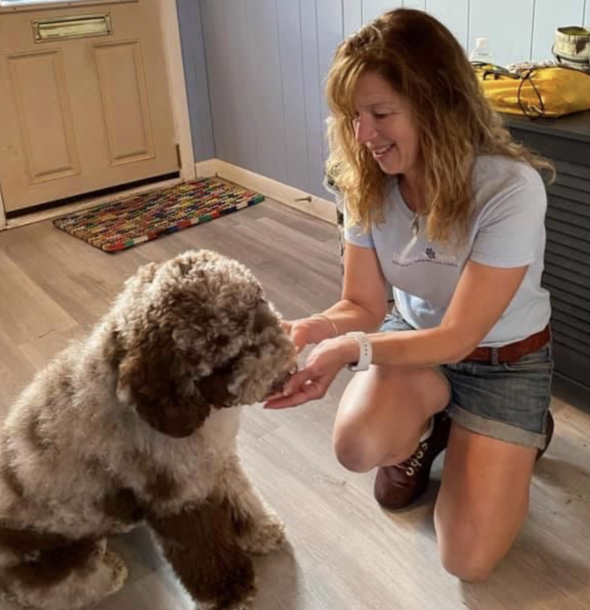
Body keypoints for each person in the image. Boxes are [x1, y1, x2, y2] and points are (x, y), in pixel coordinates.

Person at [265, 8, 555, 582]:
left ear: (436, 102)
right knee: (356, 445)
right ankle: (429, 427)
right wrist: (311, 329)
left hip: (504, 363)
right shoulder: (364, 183)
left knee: (466, 561)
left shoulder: (507, 190)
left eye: (379, 114)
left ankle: (519, 431)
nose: (362, 136)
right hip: (416, 346)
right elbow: (363, 307)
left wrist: (350, 350)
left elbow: (459, 336)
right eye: (352, 117)